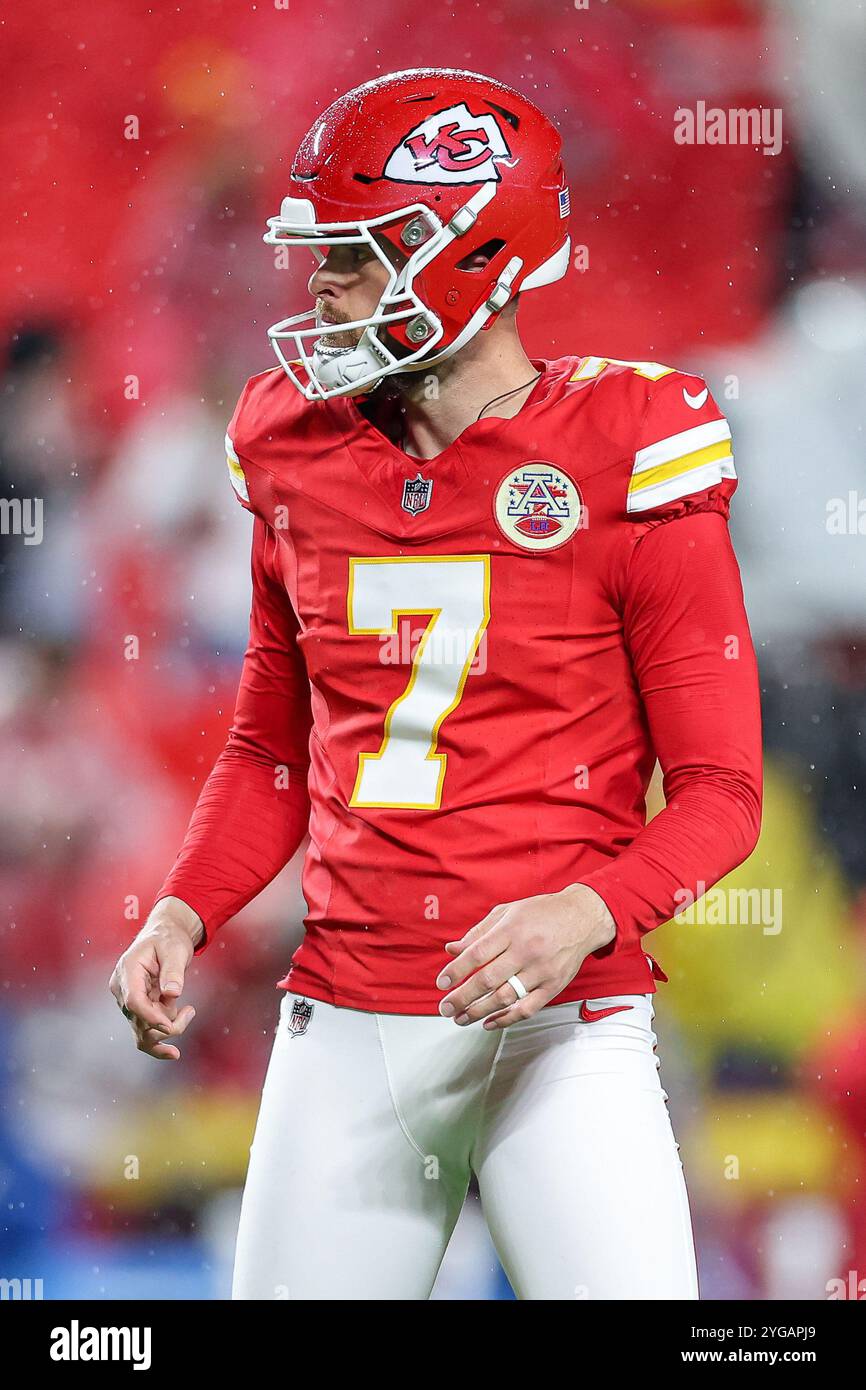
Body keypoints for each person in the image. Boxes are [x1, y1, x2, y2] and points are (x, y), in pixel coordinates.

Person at [109, 67, 762, 1300]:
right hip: (345, 1023)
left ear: (464, 249)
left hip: (560, 1033)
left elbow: (723, 793)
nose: (320, 287)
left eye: (352, 254)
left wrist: (587, 909)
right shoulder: (289, 445)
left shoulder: (629, 446)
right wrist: (182, 909)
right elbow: (270, 751)